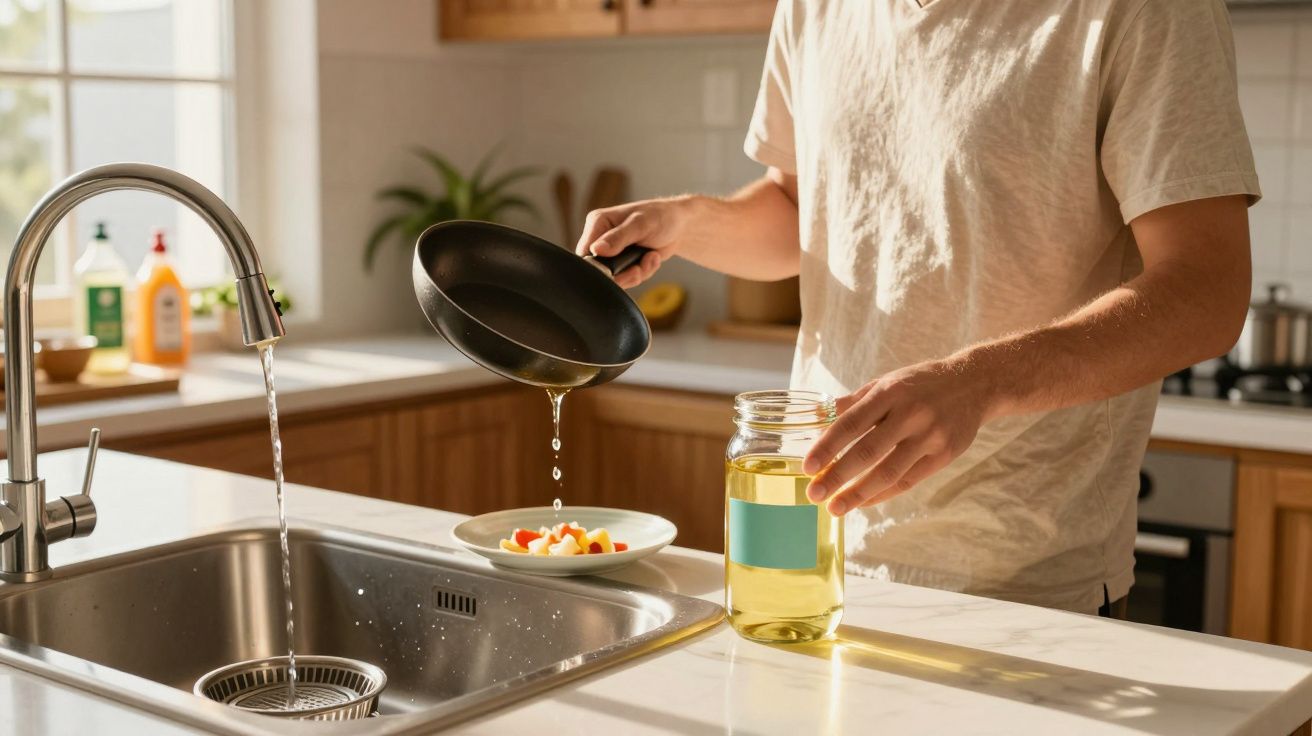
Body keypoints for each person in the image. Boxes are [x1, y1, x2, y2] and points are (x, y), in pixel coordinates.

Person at [576, 0, 1260, 615]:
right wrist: (687, 222)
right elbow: (800, 211)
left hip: (1019, 578)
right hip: (819, 553)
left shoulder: (1147, 11)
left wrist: (979, 381)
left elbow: (1207, 292)